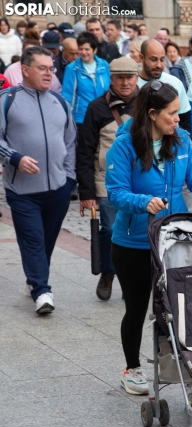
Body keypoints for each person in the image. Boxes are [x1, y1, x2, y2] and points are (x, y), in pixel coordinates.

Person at [105, 80, 192, 401]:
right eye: (172, 114)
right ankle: (132, 369)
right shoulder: (125, 145)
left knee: (177, 309)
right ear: (153, 114)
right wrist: (143, 202)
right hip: (134, 243)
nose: (178, 119)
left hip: (174, 239)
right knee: (137, 307)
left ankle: (187, 373)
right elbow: (115, 193)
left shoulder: (182, 140)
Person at [0, 46, 77, 313]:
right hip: (21, 191)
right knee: (33, 238)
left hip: (58, 188)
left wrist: (69, 179)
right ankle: (42, 291)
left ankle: (34, 278)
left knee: (46, 241)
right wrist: (14, 158)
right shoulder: (7, 99)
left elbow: (71, 142)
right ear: (25, 70)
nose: (49, 73)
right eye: (42, 68)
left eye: (51, 68)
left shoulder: (60, 102)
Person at [76, 57, 140, 302]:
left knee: (136, 231)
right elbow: (85, 151)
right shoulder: (96, 108)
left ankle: (129, 277)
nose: (125, 82)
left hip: (139, 181)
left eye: (130, 77)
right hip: (107, 181)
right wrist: (87, 193)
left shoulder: (147, 105)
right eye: (120, 77)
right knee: (111, 230)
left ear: (136, 78)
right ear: (111, 79)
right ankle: (108, 271)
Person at [138, 39, 191, 133]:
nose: (158, 65)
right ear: (142, 58)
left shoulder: (175, 83)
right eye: (153, 59)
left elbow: (185, 121)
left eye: (162, 59)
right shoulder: (131, 85)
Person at [62, 32, 110, 126]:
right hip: (81, 119)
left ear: (95, 50)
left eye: (87, 49)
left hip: (103, 116)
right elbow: (67, 95)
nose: (83, 52)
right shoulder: (72, 68)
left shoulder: (105, 65)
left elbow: (111, 89)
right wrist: (67, 118)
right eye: (80, 49)